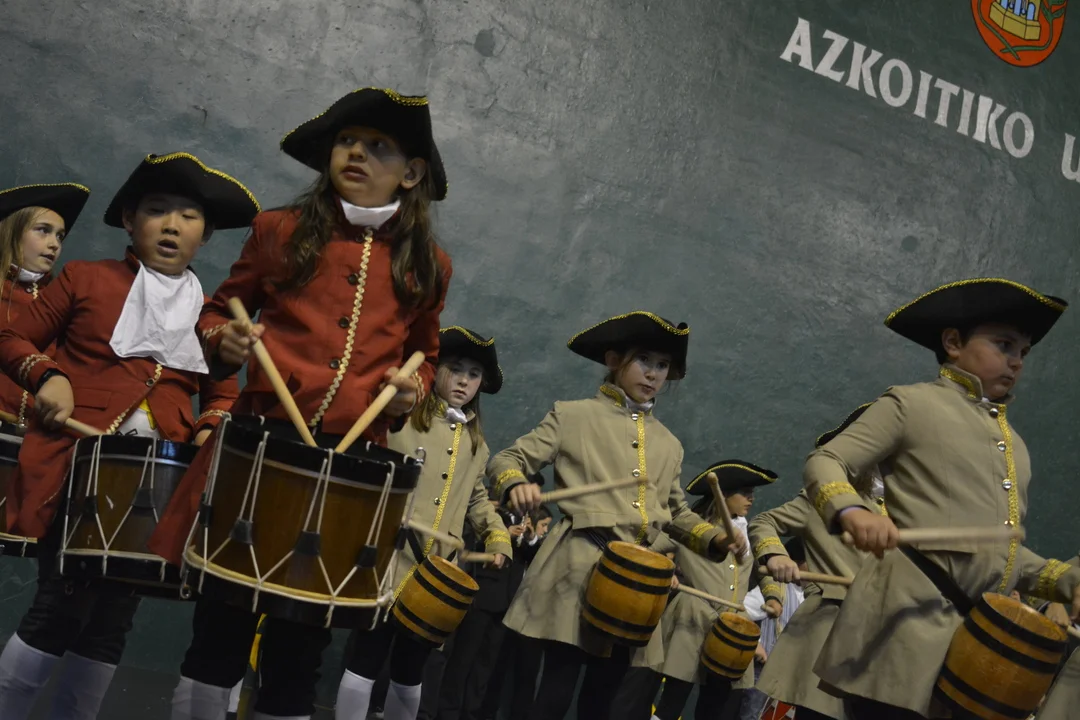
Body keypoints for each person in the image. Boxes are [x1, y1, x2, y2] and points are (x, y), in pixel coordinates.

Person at [148, 88, 453, 720]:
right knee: (220, 630)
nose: (356, 153)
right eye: (347, 141)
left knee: (301, 649)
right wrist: (225, 340)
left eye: (378, 146)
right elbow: (216, 311)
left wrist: (411, 390)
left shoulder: (428, 264)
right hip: (261, 446)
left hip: (349, 469)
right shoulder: (278, 230)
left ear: (412, 172)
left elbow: (424, 356)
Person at [0, 152, 254, 719]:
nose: (171, 226)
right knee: (59, 606)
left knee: (113, 620)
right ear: (129, 221)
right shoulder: (85, 278)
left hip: (158, 484)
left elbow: (222, 396)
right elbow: (10, 336)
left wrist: (208, 431)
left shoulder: (208, 315)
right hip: (75, 464)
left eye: (188, 217)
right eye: (157, 211)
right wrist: (48, 375)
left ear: (206, 235)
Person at [806, 278, 1080, 719]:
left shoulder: (1016, 446)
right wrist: (852, 511)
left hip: (973, 650)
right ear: (953, 342)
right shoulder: (910, 404)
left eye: (1024, 352)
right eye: (1004, 345)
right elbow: (827, 460)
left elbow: (1000, 551)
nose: (1016, 361)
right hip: (900, 632)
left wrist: (1068, 581)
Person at [489, 311, 742, 720]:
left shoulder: (670, 444)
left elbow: (675, 512)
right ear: (613, 360)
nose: (653, 374)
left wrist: (715, 538)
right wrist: (515, 483)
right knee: (555, 691)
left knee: (603, 701)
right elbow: (508, 459)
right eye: (644, 360)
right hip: (576, 568)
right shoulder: (572, 415)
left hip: (639, 583)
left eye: (663, 365)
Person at [337, 326, 512, 720]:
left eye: (474, 374)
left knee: (412, 667)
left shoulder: (476, 444)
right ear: (436, 370)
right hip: (388, 558)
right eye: (456, 369)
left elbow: (476, 497)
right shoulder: (402, 420)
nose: (464, 381)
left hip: (435, 573)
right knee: (367, 654)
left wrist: (498, 537)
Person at [747, 403, 886, 720]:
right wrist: (776, 554)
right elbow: (765, 522)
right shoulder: (824, 498)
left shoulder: (900, 506)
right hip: (830, 628)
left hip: (880, 638)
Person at [647, 461, 780, 720]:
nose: (751, 499)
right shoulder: (691, 526)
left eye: (752, 493)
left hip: (732, 627)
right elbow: (650, 551)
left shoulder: (750, 532)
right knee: (673, 700)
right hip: (692, 617)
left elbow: (764, 570)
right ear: (723, 495)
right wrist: (666, 572)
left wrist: (773, 596)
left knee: (721, 706)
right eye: (745, 492)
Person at [0, 182, 90, 425]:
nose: (54, 244)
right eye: (43, 230)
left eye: (60, 235)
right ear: (10, 231)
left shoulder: (61, 301)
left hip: (35, 436)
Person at [738, 537, 806, 720]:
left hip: (786, 676)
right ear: (797, 563)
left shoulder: (810, 595)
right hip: (762, 672)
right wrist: (755, 643)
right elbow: (739, 612)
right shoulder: (776, 589)